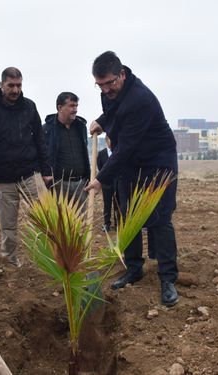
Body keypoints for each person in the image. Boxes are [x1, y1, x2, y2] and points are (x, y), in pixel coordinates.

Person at [85, 51, 179, 307]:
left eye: (110, 83)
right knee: (128, 216)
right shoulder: (111, 93)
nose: (105, 90)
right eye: (100, 85)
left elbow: (124, 147)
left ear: (122, 74)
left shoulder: (140, 100)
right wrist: (102, 121)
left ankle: (168, 278)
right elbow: (115, 114)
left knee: (159, 219)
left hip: (156, 162)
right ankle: (134, 267)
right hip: (132, 163)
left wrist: (101, 179)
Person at [0, 67, 52, 267]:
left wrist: (46, 171)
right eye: (11, 85)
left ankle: (48, 259)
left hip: (30, 174)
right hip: (3, 178)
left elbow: (40, 139)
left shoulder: (30, 107)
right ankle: (9, 261)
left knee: (44, 218)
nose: (15, 89)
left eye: (18, 85)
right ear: (1, 85)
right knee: (8, 225)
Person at [43, 92, 90, 205]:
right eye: (71, 106)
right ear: (60, 107)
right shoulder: (47, 129)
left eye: (76, 106)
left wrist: (87, 179)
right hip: (58, 185)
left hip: (80, 184)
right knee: (59, 221)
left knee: (80, 221)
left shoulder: (81, 127)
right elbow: (42, 155)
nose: (75, 110)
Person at [97, 136, 118, 232]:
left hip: (118, 183)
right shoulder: (101, 154)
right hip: (106, 184)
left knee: (118, 204)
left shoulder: (118, 152)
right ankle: (107, 224)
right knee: (107, 204)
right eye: (109, 139)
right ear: (106, 141)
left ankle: (118, 224)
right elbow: (100, 167)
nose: (111, 142)